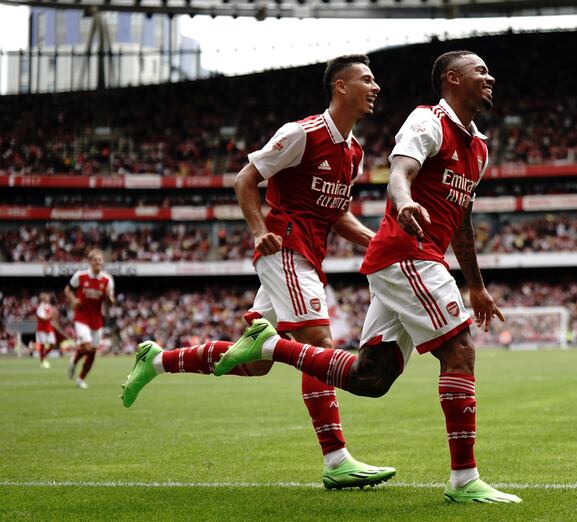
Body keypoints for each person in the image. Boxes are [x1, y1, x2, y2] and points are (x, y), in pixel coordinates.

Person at [215, 50, 521, 504]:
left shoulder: (479, 147)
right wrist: (404, 201)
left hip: (411, 258)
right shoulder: (428, 121)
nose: (490, 76)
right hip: (408, 255)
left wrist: (474, 283)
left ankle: (270, 346)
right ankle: (463, 479)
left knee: (370, 379)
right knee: (458, 351)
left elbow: (462, 217)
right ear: (453, 80)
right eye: (480, 70)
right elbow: (401, 171)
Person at [121, 54, 395, 490]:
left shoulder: (354, 153)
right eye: (367, 79)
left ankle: (156, 360)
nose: (376, 86)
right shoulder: (301, 133)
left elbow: (338, 214)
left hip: (308, 254)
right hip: (284, 246)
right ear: (340, 87)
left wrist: (379, 240)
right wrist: (256, 230)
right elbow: (245, 179)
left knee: (254, 364)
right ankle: (337, 459)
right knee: (318, 345)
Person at [64, 249, 115, 389]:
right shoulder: (80, 276)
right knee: (88, 346)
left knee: (92, 351)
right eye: (95, 260)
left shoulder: (107, 280)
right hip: (81, 317)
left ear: (102, 262)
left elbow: (110, 302)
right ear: (90, 261)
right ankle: (74, 361)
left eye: (100, 260)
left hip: (96, 320)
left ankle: (81, 378)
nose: (98, 262)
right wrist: (73, 300)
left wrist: (109, 297)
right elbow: (67, 289)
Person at [35, 292, 56, 368]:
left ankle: (43, 356)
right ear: (43, 298)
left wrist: (53, 315)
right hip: (42, 328)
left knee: (53, 343)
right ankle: (42, 361)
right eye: (47, 297)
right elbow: (43, 318)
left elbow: (51, 317)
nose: (49, 298)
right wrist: (51, 314)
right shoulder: (40, 307)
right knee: (42, 344)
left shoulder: (49, 306)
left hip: (48, 327)